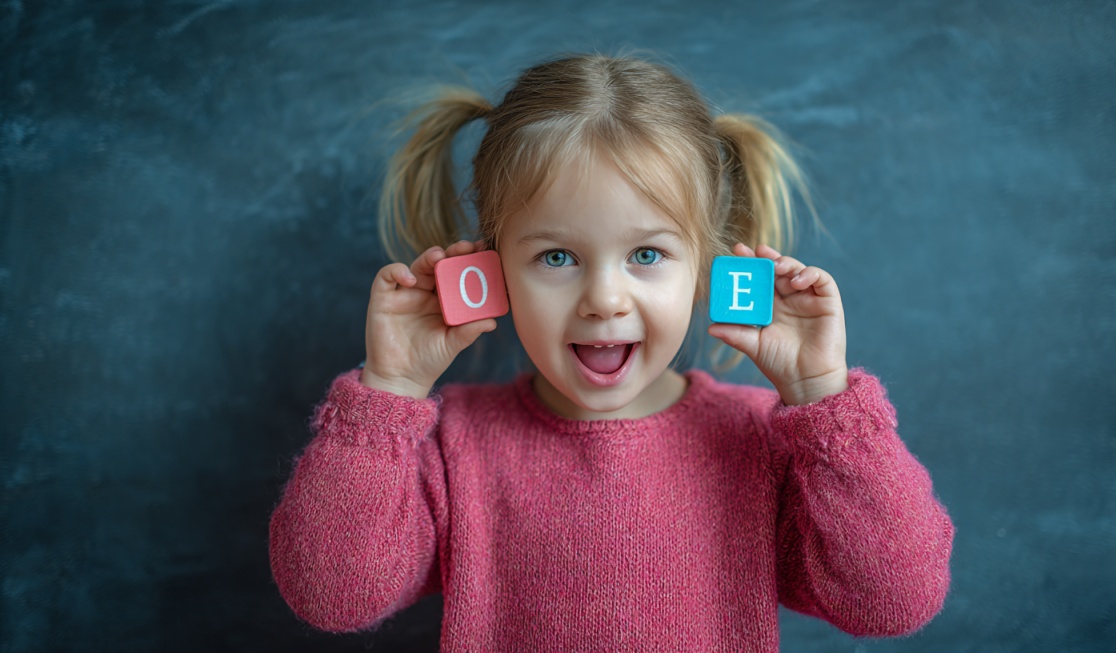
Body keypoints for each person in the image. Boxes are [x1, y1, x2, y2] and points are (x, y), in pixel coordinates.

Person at [268, 52, 954, 651]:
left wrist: (824, 400)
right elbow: (332, 596)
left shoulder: (762, 442)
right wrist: (387, 390)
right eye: (557, 255)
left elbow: (892, 599)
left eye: (647, 254)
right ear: (491, 267)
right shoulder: (451, 445)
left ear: (709, 268)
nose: (603, 298)